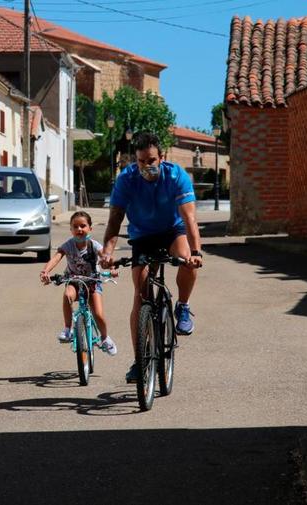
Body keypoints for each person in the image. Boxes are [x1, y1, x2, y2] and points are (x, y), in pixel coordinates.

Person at [100, 132, 203, 383]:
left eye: (152, 160)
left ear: (162, 157)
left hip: (172, 231)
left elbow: (189, 218)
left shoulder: (176, 175)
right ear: (135, 160)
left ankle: (183, 307)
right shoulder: (126, 179)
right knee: (140, 293)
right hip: (142, 236)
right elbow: (115, 220)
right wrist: (107, 253)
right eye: (142, 161)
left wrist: (196, 252)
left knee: (186, 260)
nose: (148, 165)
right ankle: (139, 361)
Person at [40, 211, 117, 356]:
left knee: (99, 314)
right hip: (74, 281)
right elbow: (56, 258)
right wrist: (45, 271)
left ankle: (105, 338)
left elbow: (105, 257)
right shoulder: (68, 245)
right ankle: (68, 329)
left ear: (90, 229)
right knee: (67, 295)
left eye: (83, 226)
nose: (79, 229)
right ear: (71, 230)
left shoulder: (94, 245)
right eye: (75, 227)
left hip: (92, 282)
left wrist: (112, 269)